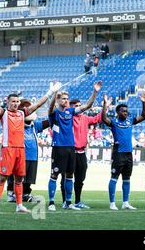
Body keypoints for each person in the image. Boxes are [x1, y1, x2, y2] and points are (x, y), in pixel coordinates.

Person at [0, 80, 60, 214]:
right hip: (8, 149)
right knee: (3, 177)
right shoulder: (4, 114)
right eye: (12, 101)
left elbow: (37, 105)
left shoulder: (22, 113)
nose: (15, 103)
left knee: (19, 179)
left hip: (21, 150)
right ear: (7, 102)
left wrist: (51, 92)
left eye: (17, 101)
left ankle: (19, 205)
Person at [47, 81, 102, 211]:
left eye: (67, 99)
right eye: (64, 99)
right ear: (58, 100)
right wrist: (55, 92)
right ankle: (51, 202)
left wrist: (95, 92)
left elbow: (87, 106)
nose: (66, 101)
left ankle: (68, 202)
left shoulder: (70, 112)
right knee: (54, 175)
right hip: (58, 147)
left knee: (70, 175)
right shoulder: (54, 113)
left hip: (70, 148)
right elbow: (50, 108)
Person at [103, 92, 145, 210]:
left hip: (128, 154)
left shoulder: (130, 121)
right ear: (118, 112)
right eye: (123, 111)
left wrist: (144, 103)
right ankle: (112, 203)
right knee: (114, 177)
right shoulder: (113, 122)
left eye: (127, 111)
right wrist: (105, 106)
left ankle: (125, 203)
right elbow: (103, 118)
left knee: (127, 178)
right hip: (118, 154)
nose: (126, 113)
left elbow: (144, 116)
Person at [59, 98, 102, 209]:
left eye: (79, 105)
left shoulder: (85, 118)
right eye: (76, 105)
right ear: (71, 107)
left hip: (82, 152)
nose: (79, 107)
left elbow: (97, 119)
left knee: (80, 179)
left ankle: (78, 201)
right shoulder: (68, 118)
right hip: (70, 151)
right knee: (66, 177)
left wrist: (105, 106)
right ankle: (66, 201)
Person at [7, 99, 50, 203]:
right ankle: (12, 194)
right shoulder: (16, 124)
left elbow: (47, 123)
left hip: (32, 156)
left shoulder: (34, 126)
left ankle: (26, 194)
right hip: (20, 155)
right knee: (17, 176)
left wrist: (55, 115)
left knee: (29, 178)